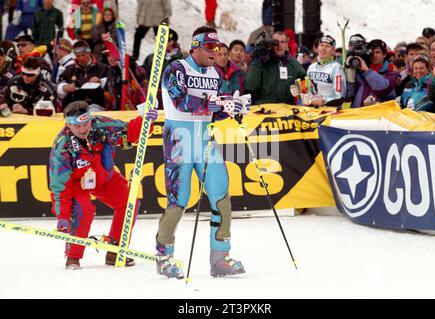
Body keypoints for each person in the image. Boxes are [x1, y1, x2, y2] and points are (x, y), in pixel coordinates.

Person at [155, 25, 247, 279]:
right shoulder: (177, 69)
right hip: (179, 139)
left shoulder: (215, 73)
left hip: (205, 138)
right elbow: (182, 101)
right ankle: (164, 255)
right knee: (179, 200)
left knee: (221, 194)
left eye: (217, 47)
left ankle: (220, 257)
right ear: (195, 47)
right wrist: (217, 102)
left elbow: (213, 111)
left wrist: (232, 106)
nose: (214, 52)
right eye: (209, 47)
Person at [49, 100, 158, 269]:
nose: (83, 129)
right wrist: (62, 216)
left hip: (105, 177)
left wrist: (146, 120)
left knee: (130, 203)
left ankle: (115, 251)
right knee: (83, 209)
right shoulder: (62, 147)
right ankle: (73, 256)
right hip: (79, 183)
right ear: (68, 125)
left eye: (86, 123)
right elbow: (59, 186)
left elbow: (129, 133)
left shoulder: (103, 125)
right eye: (77, 127)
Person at [245, 31, 306, 105]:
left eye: (282, 42)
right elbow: (250, 86)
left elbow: (306, 83)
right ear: (270, 45)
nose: (279, 45)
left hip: (286, 110)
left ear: (287, 45)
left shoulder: (293, 64)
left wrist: (300, 92)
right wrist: (257, 60)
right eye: (276, 42)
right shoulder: (261, 62)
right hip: (263, 109)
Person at [291, 35, 346, 107]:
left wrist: (323, 100)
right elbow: (308, 92)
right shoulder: (311, 67)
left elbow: (340, 98)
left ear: (333, 51)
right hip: (313, 112)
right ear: (318, 48)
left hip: (330, 113)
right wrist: (300, 92)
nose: (323, 48)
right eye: (321, 45)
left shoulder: (337, 68)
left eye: (327, 46)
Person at [345, 39, 400, 107]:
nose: (374, 55)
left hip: (378, 115)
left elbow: (381, 87)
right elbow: (348, 97)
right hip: (357, 114)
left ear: (384, 54)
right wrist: (350, 73)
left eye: (377, 52)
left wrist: (366, 70)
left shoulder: (392, 75)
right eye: (371, 52)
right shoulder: (360, 73)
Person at [57, 40, 111, 110]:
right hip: (74, 107)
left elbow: (112, 85)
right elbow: (58, 84)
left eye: (83, 55)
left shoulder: (103, 68)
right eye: (78, 56)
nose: (81, 58)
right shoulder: (70, 69)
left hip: (97, 107)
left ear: (89, 53)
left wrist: (101, 81)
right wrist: (64, 87)